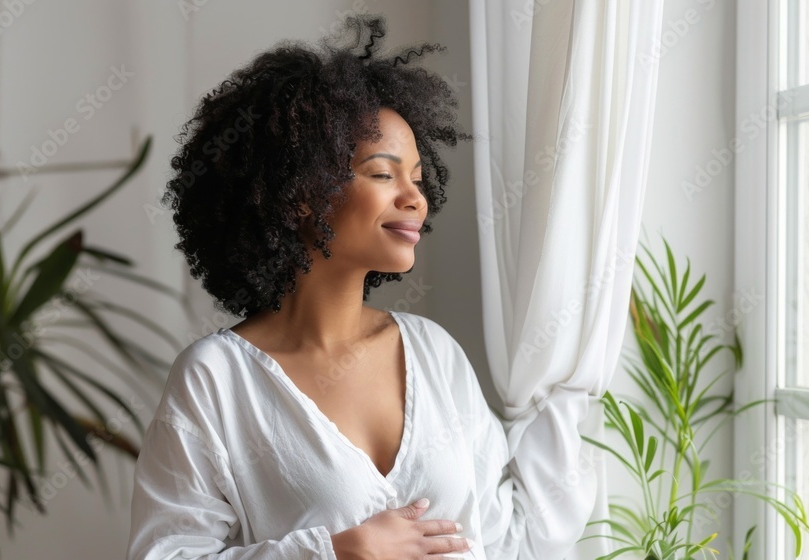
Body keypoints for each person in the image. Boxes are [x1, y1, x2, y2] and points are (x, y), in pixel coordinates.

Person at [127, 15, 582, 560]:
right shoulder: (216, 379)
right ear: (302, 193)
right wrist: (336, 552)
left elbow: (499, 538)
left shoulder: (433, 353)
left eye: (417, 177)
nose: (415, 198)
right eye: (384, 174)